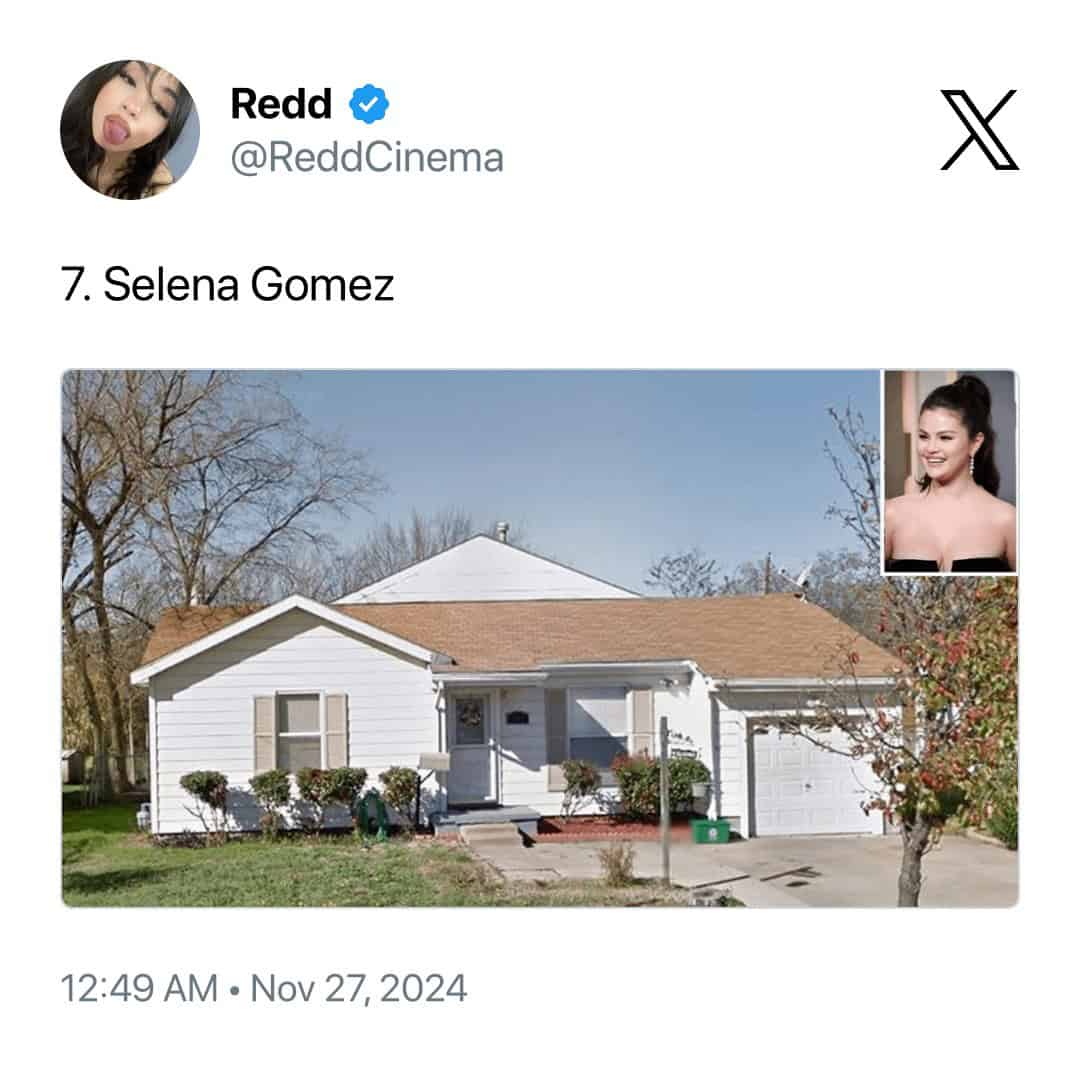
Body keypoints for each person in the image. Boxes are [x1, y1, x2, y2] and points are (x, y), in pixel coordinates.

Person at [885, 374, 1016, 572]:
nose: (930, 448)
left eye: (945, 438)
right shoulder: (891, 515)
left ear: (975, 443)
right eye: (923, 436)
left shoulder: (1007, 519)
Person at [61, 61, 192, 199]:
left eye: (159, 107)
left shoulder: (157, 191)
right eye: (128, 79)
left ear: (163, 132)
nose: (132, 107)